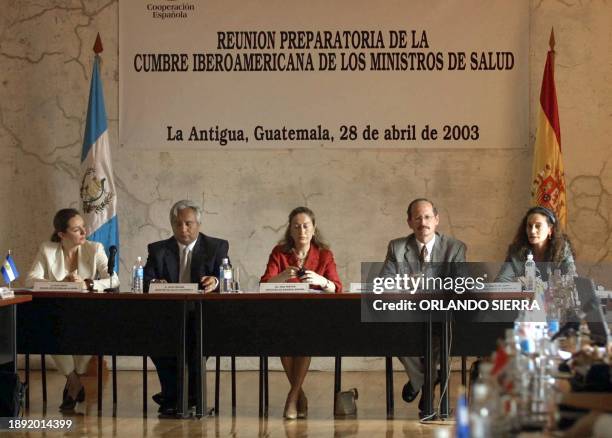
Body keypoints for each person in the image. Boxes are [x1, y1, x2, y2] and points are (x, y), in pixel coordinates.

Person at [379, 198, 466, 418]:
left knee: (439, 337)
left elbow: (461, 283)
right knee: (389, 330)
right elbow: (384, 283)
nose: (423, 222)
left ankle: (421, 382)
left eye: (427, 217)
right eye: (417, 217)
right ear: (409, 222)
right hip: (406, 316)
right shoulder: (397, 247)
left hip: (440, 316)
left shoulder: (455, 248)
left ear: (436, 220)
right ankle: (428, 380)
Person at [25, 208, 119, 411]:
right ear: (62, 234)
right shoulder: (47, 249)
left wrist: (88, 284)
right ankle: (75, 383)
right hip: (57, 311)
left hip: (87, 312)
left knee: (85, 334)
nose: (84, 232)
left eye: (84, 227)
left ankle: (73, 383)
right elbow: (30, 280)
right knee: (50, 329)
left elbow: (113, 279)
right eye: (77, 230)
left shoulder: (95, 248)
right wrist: (61, 283)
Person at [143, 199, 229, 417]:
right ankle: (176, 396)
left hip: (202, 315)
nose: (183, 229)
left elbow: (226, 277)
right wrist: (154, 285)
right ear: (172, 225)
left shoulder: (216, 247)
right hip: (169, 316)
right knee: (156, 342)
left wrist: (216, 282)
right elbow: (145, 281)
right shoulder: (158, 250)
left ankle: (181, 398)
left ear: (198, 224)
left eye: (188, 223)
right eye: (178, 224)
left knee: (195, 344)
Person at [260, 206, 342, 419]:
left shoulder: (324, 254)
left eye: (306, 226)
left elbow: (337, 287)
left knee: (305, 337)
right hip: (285, 313)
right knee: (283, 339)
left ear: (314, 229)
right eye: (296, 226)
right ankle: (299, 395)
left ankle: (292, 398)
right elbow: (264, 285)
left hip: (315, 315)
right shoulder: (279, 252)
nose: (301, 231)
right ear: (290, 230)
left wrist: (321, 281)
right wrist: (283, 276)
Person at [496, 206, 576, 282]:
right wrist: (516, 283)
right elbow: (501, 280)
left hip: (555, 295)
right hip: (526, 296)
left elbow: (571, 278)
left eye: (538, 226)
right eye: (529, 226)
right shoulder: (517, 251)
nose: (532, 231)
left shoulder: (562, 249)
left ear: (550, 230)